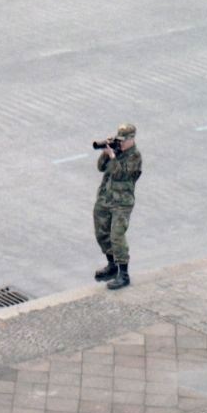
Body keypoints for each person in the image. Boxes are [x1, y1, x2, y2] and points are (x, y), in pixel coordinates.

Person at [92, 122, 142, 290]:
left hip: (122, 202)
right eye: (119, 139)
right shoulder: (117, 150)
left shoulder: (135, 156)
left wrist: (113, 156)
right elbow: (101, 167)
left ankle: (124, 274)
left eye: (123, 140)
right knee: (102, 232)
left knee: (117, 236)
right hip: (106, 198)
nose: (120, 143)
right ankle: (111, 265)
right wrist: (106, 153)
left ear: (131, 139)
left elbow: (121, 174)